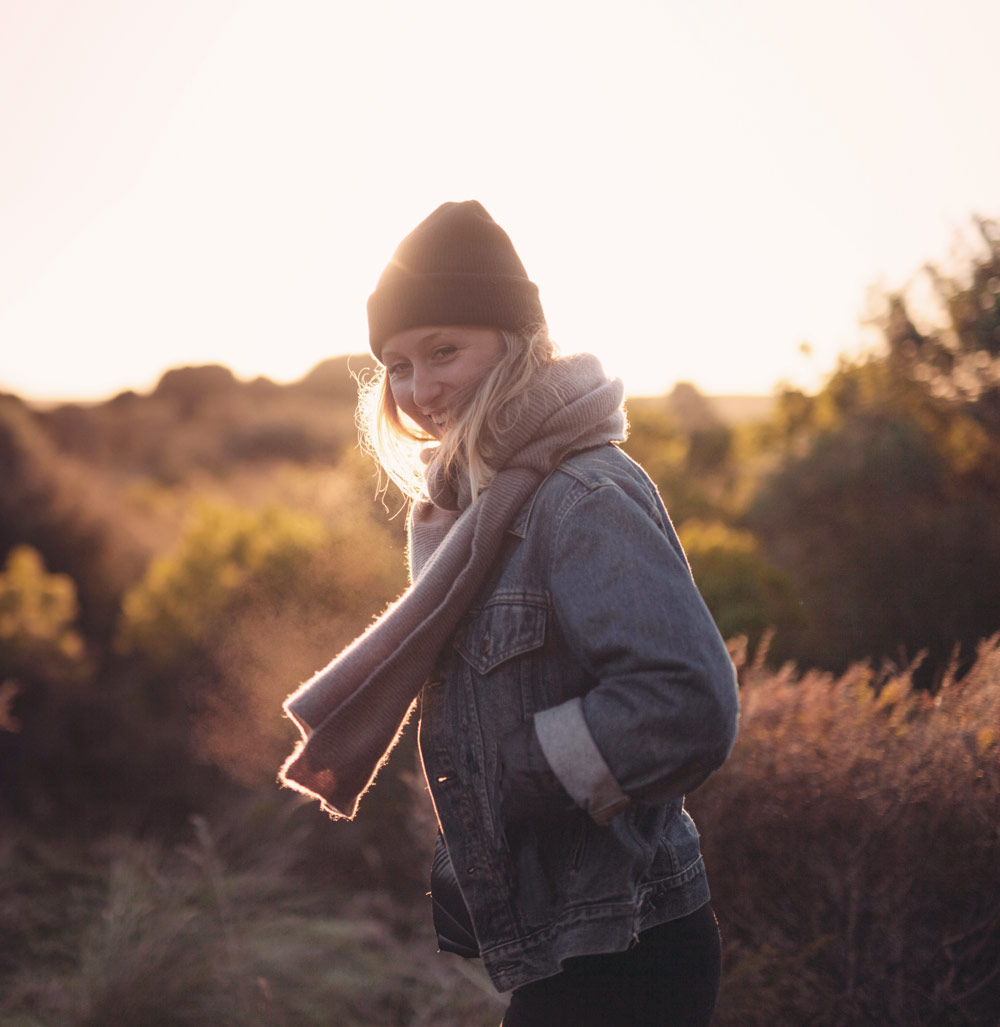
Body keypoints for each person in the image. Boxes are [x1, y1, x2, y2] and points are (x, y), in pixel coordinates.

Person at [280, 200, 740, 1026]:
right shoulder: (475, 509)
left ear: (518, 340)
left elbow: (687, 701)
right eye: (398, 364)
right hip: (571, 943)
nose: (420, 388)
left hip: (633, 950)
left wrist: (517, 780)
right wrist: (480, 856)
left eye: (444, 350)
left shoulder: (582, 494)